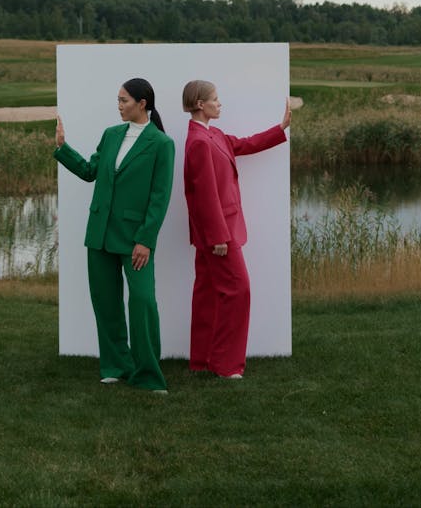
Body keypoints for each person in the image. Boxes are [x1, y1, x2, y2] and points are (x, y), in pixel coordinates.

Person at [54, 77, 175, 393]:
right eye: (118, 100)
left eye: (124, 100)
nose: (119, 105)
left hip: (135, 237)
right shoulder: (110, 135)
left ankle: (148, 373)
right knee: (105, 303)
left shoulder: (162, 144)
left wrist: (146, 240)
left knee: (143, 301)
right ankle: (116, 365)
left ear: (142, 104)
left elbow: (159, 197)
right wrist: (62, 148)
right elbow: (89, 172)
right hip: (99, 233)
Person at [182, 80, 291, 379]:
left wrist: (280, 128)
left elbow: (244, 144)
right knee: (238, 291)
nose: (220, 103)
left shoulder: (213, 134)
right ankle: (226, 365)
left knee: (206, 294)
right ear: (200, 104)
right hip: (219, 234)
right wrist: (218, 237)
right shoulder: (199, 142)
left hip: (216, 232)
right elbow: (204, 195)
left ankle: (202, 360)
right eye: (215, 99)